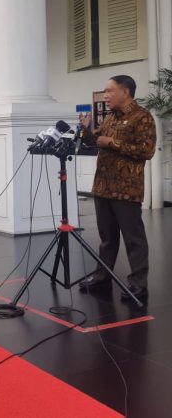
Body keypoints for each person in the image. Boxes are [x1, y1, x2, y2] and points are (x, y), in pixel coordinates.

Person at [78, 75, 156, 302]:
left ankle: (138, 284)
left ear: (125, 92)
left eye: (109, 91)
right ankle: (102, 277)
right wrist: (86, 131)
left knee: (134, 239)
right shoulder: (110, 118)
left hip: (126, 189)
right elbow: (97, 141)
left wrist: (111, 143)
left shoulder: (142, 117)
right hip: (103, 186)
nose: (106, 96)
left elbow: (146, 151)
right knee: (107, 238)